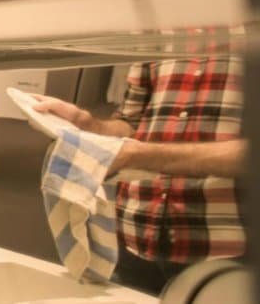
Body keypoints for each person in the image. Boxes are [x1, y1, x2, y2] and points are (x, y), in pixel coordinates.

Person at [32, 57, 246, 294]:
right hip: (135, 238)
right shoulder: (161, 35)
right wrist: (86, 124)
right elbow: (132, 123)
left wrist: (139, 155)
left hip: (230, 250)